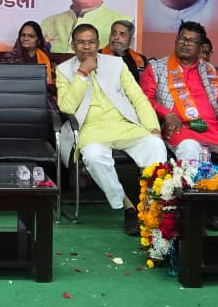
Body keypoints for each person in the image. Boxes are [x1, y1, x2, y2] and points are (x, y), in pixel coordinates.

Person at [141, 22, 218, 230]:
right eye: (182, 39)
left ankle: (216, 197)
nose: (185, 44)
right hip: (181, 127)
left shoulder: (209, 70)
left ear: (200, 47)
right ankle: (197, 207)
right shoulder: (157, 68)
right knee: (190, 149)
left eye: (191, 41)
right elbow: (145, 100)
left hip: (211, 127)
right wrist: (167, 114)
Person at [57, 23, 167, 235]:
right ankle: (127, 207)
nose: (86, 47)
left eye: (91, 42)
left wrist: (152, 126)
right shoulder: (64, 70)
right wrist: (82, 73)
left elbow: (138, 98)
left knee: (155, 145)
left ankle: (151, 205)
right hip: (91, 128)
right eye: (81, 42)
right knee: (93, 156)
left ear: (98, 44)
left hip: (124, 124)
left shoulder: (116, 64)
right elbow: (66, 107)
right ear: (73, 45)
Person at [3, 20, 57, 108]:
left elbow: (54, 86)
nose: (26, 38)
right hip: (16, 99)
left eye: (31, 36)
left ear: (38, 40)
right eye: (23, 35)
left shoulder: (48, 59)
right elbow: (4, 84)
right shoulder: (10, 58)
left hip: (41, 99)